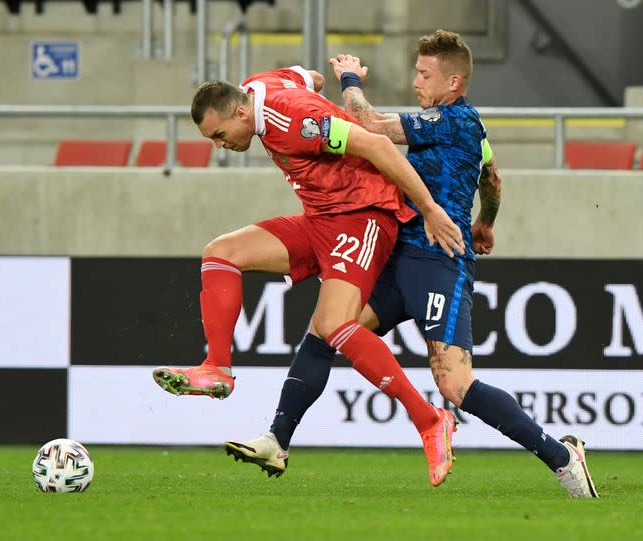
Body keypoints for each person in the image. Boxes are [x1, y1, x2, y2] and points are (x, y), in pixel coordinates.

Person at [224, 31, 599, 499]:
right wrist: (486, 221)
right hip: (399, 253)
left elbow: (371, 127)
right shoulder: (469, 129)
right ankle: (277, 439)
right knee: (327, 329)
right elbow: (492, 177)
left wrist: (349, 80)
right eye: (416, 71)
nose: (416, 80)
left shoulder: (454, 119)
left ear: (454, 81)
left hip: (439, 261)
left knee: (454, 384)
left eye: (425, 74)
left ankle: (563, 457)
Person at [153, 64, 464, 486]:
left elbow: (375, 144)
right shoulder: (257, 88)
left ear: (241, 115)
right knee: (221, 254)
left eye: (219, 136)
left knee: (334, 325)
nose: (220, 146)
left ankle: (430, 421)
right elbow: (311, 77)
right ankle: (218, 369)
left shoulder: (295, 120)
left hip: (361, 214)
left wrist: (429, 209)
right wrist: (334, 79)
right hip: (320, 217)